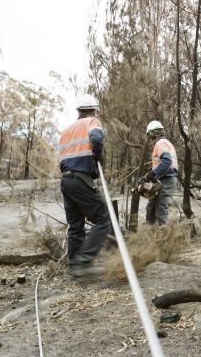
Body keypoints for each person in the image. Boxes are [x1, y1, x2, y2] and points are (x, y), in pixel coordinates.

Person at [58, 94, 110, 277]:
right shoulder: (92, 122)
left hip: (66, 180)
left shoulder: (66, 130)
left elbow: (62, 158)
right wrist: (97, 157)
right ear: (94, 109)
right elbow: (96, 139)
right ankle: (84, 262)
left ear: (78, 110)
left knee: (75, 225)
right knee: (103, 219)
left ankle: (74, 266)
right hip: (80, 179)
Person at [144, 120, 178, 226]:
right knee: (152, 204)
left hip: (166, 178)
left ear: (153, 133)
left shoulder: (160, 143)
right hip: (163, 178)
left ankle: (164, 235)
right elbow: (161, 162)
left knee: (161, 207)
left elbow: (167, 161)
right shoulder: (165, 143)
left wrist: (154, 173)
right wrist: (153, 173)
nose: (149, 138)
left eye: (150, 135)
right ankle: (149, 230)